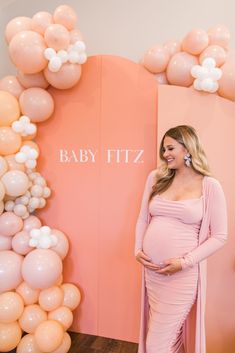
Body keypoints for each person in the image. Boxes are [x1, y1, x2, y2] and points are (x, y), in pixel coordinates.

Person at [135, 125, 227, 353]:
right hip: (153, 274)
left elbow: (220, 236)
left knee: (157, 343)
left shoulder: (209, 185)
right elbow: (143, 219)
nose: (165, 154)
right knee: (167, 339)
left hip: (182, 277)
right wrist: (137, 249)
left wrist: (184, 262)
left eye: (170, 148)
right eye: (163, 149)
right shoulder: (156, 178)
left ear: (188, 148)